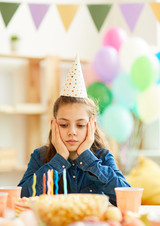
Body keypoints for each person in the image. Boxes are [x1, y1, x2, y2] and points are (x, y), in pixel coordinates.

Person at [18, 55, 131, 206]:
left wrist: (88, 159)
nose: (72, 132)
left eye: (80, 125)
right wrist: (59, 160)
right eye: (64, 125)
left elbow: (127, 198)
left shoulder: (102, 157)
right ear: (54, 125)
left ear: (92, 126)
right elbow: (20, 196)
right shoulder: (40, 157)